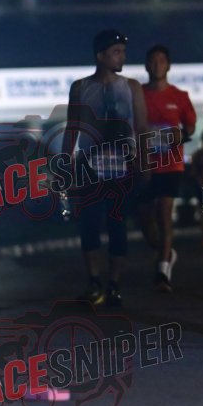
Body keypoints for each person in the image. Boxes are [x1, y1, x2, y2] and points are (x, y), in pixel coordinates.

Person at [65, 29, 147, 309]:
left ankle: (114, 284)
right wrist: (65, 165)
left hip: (122, 166)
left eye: (123, 52)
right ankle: (94, 281)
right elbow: (72, 127)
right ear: (100, 55)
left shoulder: (132, 87)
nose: (121, 57)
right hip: (89, 166)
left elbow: (142, 127)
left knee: (117, 225)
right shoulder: (80, 87)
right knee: (88, 224)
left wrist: (144, 164)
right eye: (116, 52)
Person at [136, 45, 197, 292]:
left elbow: (190, 126)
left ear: (168, 65)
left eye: (161, 61)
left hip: (171, 164)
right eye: (152, 61)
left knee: (164, 213)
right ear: (146, 65)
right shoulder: (138, 94)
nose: (157, 65)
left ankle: (162, 272)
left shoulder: (180, 96)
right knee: (145, 219)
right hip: (143, 165)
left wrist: (181, 135)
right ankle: (166, 252)